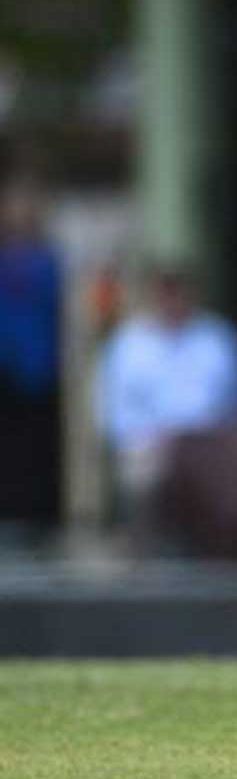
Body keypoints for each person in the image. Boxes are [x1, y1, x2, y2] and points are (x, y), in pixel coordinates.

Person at [96, 264, 237, 513]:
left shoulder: (219, 337)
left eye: (178, 289)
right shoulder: (128, 343)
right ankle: (145, 548)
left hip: (212, 443)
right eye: (165, 290)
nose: (171, 298)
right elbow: (113, 411)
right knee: (142, 479)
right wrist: (154, 438)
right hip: (150, 446)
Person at [0, 179, 62, 529]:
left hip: (37, 372)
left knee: (35, 450)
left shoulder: (47, 262)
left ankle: (34, 515)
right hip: (8, 370)